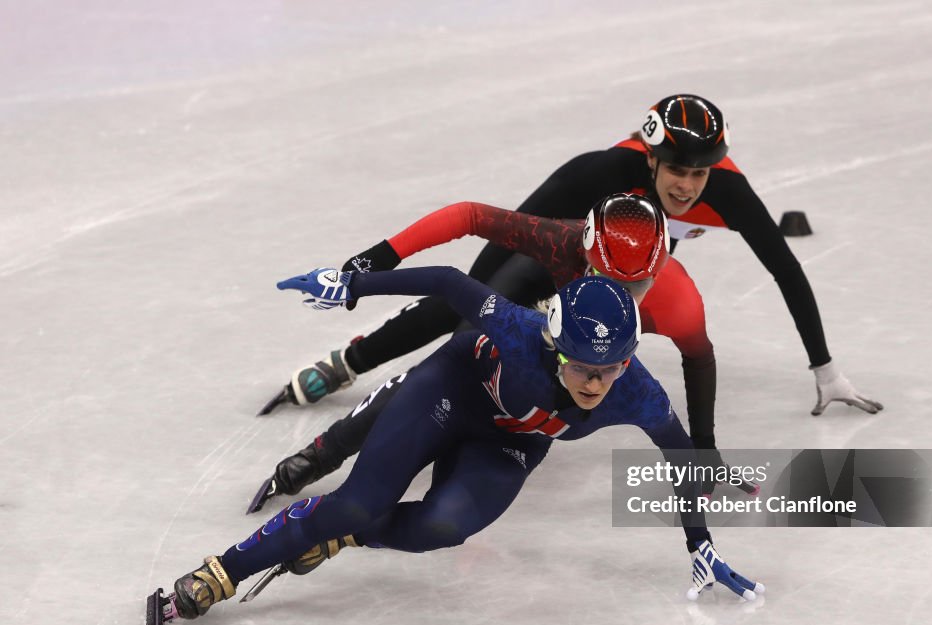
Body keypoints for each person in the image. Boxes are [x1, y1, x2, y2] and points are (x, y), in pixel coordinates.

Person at [147, 269, 764, 625]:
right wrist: (352, 285)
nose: (596, 383)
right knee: (359, 503)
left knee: (443, 528)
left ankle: (336, 538)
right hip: (450, 391)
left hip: (508, 444)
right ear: (554, 346)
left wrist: (698, 542)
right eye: (582, 366)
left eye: (611, 368)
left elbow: (683, 461)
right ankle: (220, 573)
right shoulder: (521, 332)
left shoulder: (638, 395)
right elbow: (446, 284)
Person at [265, 93, 881, 422]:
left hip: (635, 260)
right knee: (464, 303)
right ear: (648, 159)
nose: (689, 186)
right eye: (677, 171)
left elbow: (785, 269)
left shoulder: (727, 191)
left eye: (700, 173)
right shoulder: (597, 173)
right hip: (571, 237)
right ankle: (350, 361)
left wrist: (825, 368)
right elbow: (479, 231)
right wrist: (370, 263)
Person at [248, 193, 761, 515]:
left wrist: (704, 448)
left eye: (638, 285)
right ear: (584, 253)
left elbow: (699, 359)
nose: (621, 296)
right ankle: (322, 448)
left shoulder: (679, 303)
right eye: (606, 277)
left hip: (568, 347)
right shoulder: (561, 243)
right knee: (455, 333)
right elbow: (470, 216)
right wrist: (377, 261)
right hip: (537, 298)